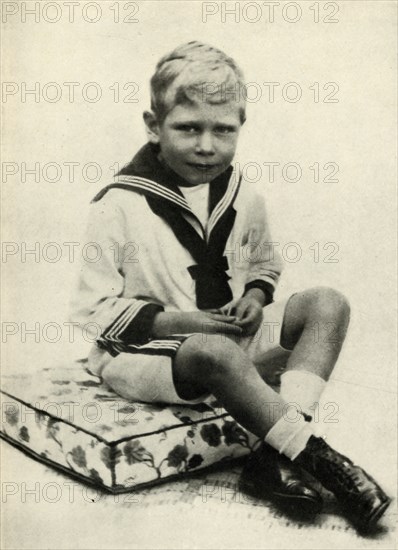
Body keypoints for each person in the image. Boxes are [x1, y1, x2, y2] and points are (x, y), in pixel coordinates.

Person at [70, 41, 390, 532]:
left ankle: (272, 457)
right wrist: (181, 321)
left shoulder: (243, 193)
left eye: (224, 130)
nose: (206, 146)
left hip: (227, 341)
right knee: (217, 353)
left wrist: (256, 298)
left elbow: (264, 264)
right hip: (148, 352)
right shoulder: (117, 205)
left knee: (329, 303)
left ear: (242, 126)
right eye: (188, 128)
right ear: (154, 126)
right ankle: (320, 458)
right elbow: (91, 310)